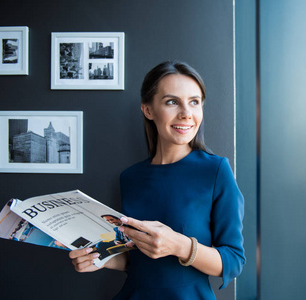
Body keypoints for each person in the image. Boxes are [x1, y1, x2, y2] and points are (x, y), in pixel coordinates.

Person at [69, 61, 245, 299]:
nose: (186, 113)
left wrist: (180, 246)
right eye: (172, 102)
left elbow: (233, 262)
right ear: (148, 110)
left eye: (194, 102)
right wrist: (102, 259)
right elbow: (140, 261)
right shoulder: (130, 177)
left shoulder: (216, 170)